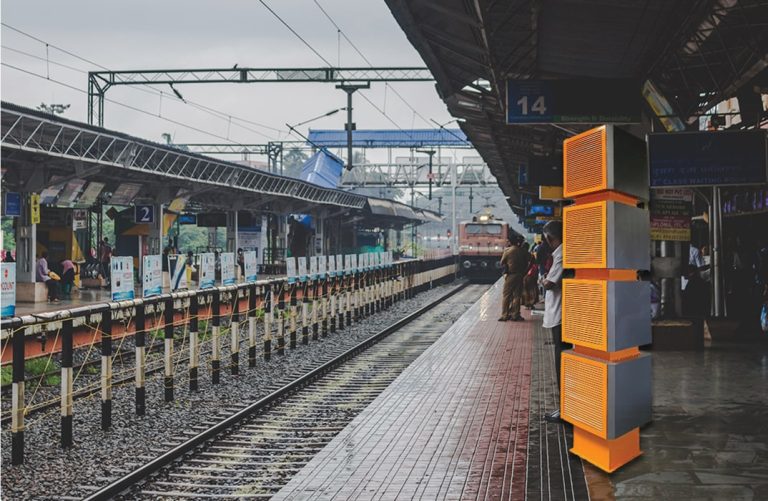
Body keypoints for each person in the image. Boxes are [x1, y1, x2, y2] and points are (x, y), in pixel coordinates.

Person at [540, 221, 565, 422]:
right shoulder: (560, 253)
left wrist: (543, 280)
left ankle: (565, 409)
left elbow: (549, 283)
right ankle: (564, 407)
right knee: (561, 359)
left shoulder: (562, 254)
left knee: (561, 360)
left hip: (561, 315)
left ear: (549, 238)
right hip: (559, 313)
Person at [498, 234, 528, 321]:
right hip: (520, 275)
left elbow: (502, 263)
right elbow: (532, 259)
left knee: (506, 295)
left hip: (511, 275)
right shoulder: (522, 251)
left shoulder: (508, 251)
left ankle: (505, 315)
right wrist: (526, 270)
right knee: (517, 296)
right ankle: (515, 315)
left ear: (510, 242)